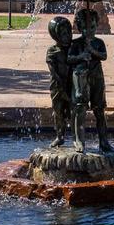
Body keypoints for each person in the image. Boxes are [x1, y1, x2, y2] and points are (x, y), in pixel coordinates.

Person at [67, 8, 114, 153]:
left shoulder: (99, 42)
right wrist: (81, 56)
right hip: (81, 77)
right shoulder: (75, 44)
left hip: (97, 77)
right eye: (86, 28)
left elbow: (104, 56)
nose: (90, 31)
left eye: (93, 27)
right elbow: (69, 58)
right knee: (80, 108)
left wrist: (92, 51)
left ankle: (104, 142)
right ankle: (79, 141)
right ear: (80, 28)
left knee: (99, 109)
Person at [45, 17, 74, 147]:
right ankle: (60, 136)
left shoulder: (74, 47)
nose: (67, 36)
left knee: (74, 110)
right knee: (58, 111)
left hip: (73, 84)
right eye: (63, 34)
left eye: (69, 32)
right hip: (57, 86)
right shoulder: (52, 51)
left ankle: (77, 138)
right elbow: (53, 72)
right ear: (55, 36)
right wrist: (62, 90)